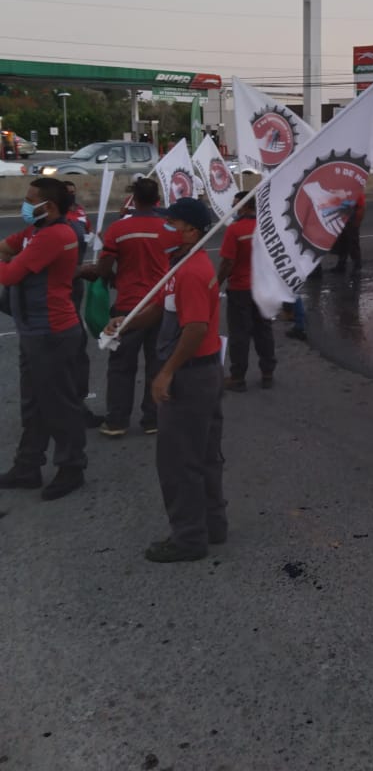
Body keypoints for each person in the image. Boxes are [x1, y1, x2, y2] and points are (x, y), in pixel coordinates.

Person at [106, 197, 226, 562]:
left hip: (191, 375)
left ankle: (188, 539)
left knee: (179, 462)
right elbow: (159, 308)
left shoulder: (191, 272)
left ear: (191, 231)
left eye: (170, 223)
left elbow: (195, 327)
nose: (163, 230)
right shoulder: (179, 265)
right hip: (201, 373)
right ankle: (212, 524)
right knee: (203, 455)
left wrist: (167, 372)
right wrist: (126, 323)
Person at [0, 178, 89, 500]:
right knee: (34, 404)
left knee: (59, 405)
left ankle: (72, 467)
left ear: (48, 206)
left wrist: (9, 260)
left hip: (51, 332)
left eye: (29, 199)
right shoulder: (37, 230)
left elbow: (10, 274)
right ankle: (28, 465)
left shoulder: (55, 235)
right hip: (33, 331)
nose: (24, 204)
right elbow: (8, 246)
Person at [78, 177, 178, 437]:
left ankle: (117, 421)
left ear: (134, 199)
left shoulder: (118, 229)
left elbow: (103, 269)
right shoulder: (170, 228)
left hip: (127, 307)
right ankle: (153, 419)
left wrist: (110, 276)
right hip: (160, 306)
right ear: (157, 199)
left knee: (121, 367)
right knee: (157, 363)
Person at [218, 192, 276, 391]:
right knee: (264, 330)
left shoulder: (235, 229)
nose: (233, 208)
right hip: (263, 287)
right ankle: (267, 373)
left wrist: (216, 283)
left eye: (236, 204)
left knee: (239, 334)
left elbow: (227, 262)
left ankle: (237, 378)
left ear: (244, 206)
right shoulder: (267, 226)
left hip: (240, 289)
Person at [330, 188, 365, 275]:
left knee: (353, 244)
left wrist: (357, 222)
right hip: (341, 220)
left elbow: (361, 207)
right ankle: (341, 265)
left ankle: (357, 266)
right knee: (342, 243)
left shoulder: (356, 191)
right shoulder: (341, 190)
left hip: (351, 221)